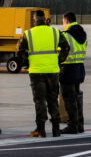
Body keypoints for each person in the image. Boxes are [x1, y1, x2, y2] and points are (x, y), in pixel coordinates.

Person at [18, 10, 69, 138]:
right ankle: (56, 130)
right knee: (53, 100)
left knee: (39, 101)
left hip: (36, 72)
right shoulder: (55, 32)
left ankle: (41, 130)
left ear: (34, 20)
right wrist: (59, 60)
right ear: (45, 19)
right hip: (52, 71)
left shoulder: (28, 34)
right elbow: (66, 47)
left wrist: (26, 64)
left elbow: (20, 50)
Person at [60, 12, 88, 134]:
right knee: (76, 98)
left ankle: (72, 126)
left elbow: (61, 53)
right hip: (79, 68)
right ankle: (79, 124)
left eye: (63, 22)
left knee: (69, 99)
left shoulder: (66, 35)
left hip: (68, 70)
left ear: (67, 21)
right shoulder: (83, 34)